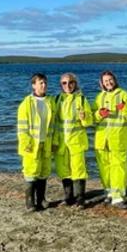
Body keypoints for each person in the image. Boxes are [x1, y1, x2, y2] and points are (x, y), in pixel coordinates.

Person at [92, 70, 127, 209]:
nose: (108, 83)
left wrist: (124, 108)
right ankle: (109, 192)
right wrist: (99, 114)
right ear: (102, 83)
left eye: (110, 80)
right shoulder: (99, 97)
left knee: (118, 166)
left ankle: (118, 196)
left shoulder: (123, 94)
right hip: (102, 138)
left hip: (118, 137)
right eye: (105, 81)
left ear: (114, 80)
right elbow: (92, 117)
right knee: (105, 167)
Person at [17, 73, 59, 212]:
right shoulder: (26, 103)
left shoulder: (51, 102)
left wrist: (54, 141)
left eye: (45, 83)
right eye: (40, 83)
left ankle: (41, 199)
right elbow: (22, 127)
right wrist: (26, 143)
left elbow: (54, 124)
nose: (44, 85)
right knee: (30, 172)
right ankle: (30, 201)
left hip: (46, 143)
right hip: (31, 144)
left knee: (44, 171)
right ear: (33, 85)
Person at [54, 72, 93, 208]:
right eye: (64, 83)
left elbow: (89, 122)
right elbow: (53, 122)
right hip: (61, 142)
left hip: (76, 141)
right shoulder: (57, 99)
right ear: (61, 85)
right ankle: (68, 197)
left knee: (79, 169)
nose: (68, 85)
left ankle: (80, 199)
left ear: (75, 84)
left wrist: (84, 117)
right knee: (63, 169)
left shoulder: (81, 99)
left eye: (71, 82)